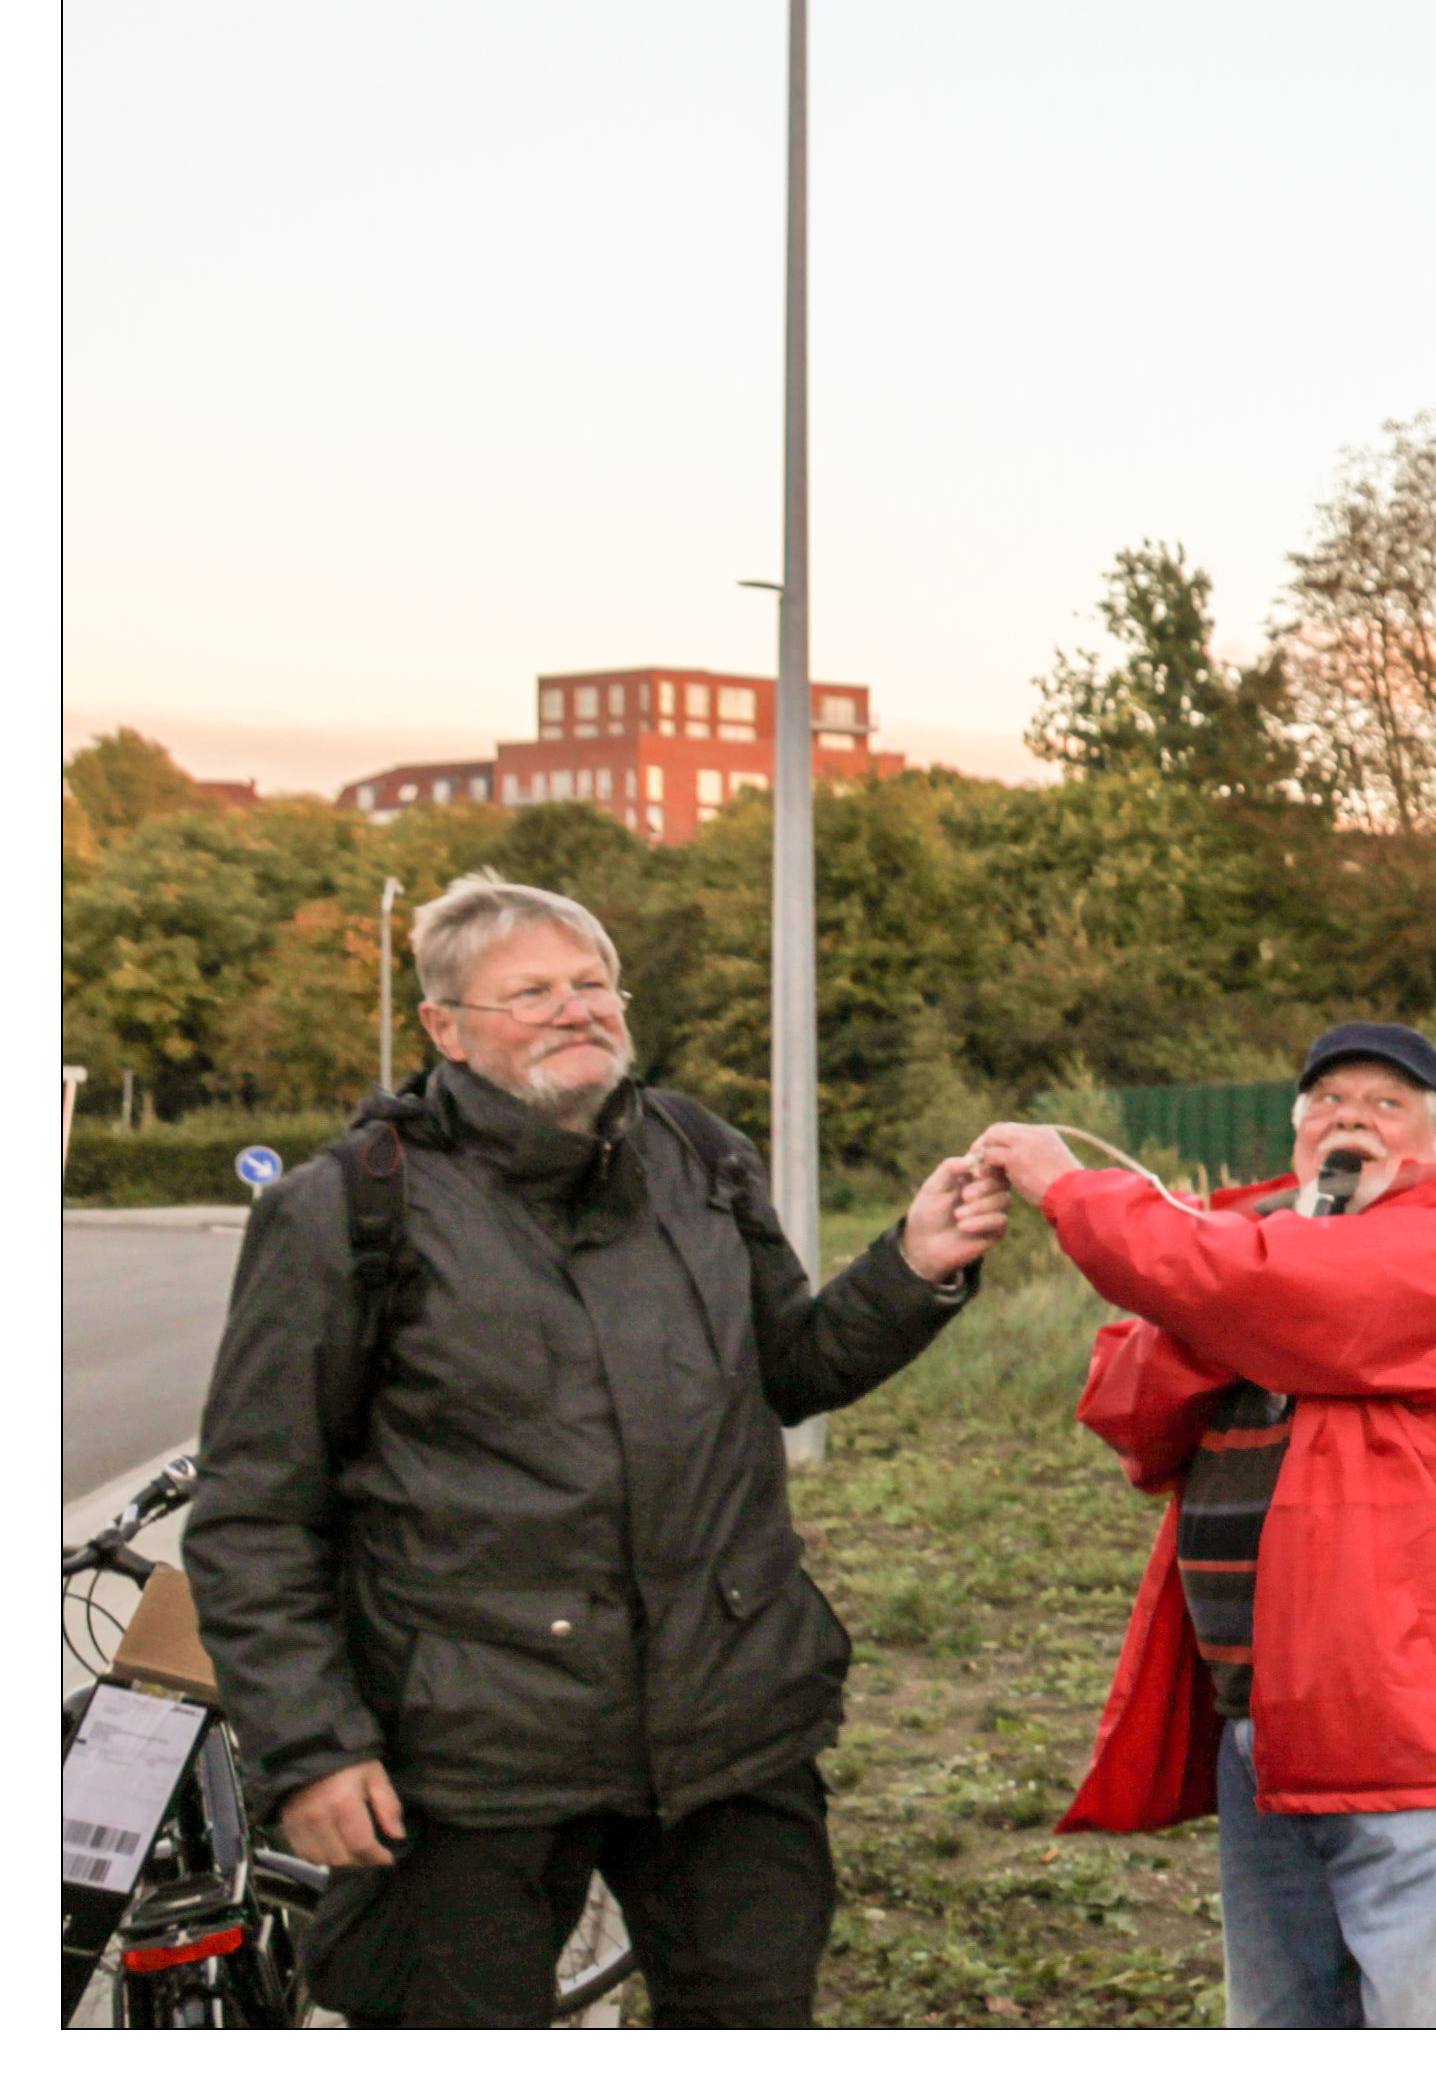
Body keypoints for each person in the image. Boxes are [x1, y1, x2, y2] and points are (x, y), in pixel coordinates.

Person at [187, 868, 1008, 2027]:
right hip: (472, 1755)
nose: (575, 1009)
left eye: (592, 984)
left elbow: (790, 1367)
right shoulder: (346, 1208)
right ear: (445, 1028)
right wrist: (312, 1747)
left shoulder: (699, 1154)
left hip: (726, 1725)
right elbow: (256, 1512)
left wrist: (913, 1265)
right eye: (530, 992)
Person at [968, 1022, 1436, 2030]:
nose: (1352, 1117)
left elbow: (1250, 1286)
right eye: (1327, 1102)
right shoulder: (1265, 1252)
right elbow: (1128, 1403)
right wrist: (1225, 1302)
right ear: (1298, 1134)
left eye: (1386, 1103)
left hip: (1435, 1741)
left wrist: (1083, 1199)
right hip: (1273, 1733)